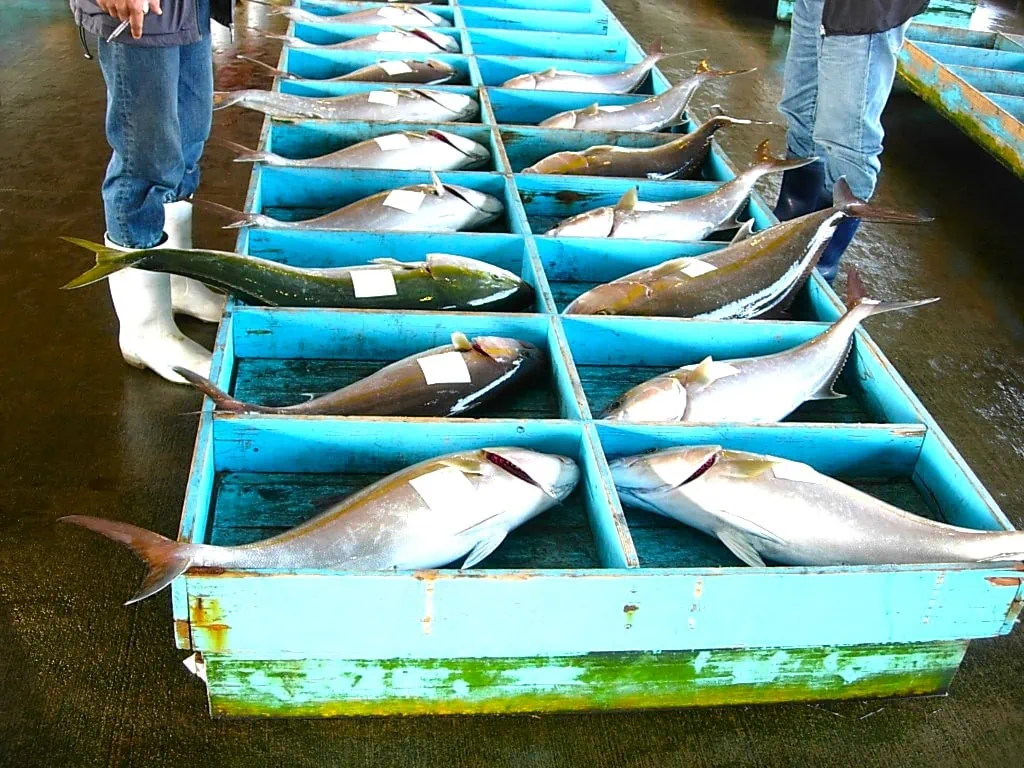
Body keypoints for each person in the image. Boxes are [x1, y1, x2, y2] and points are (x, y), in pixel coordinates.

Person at [70, 0, 235, 383]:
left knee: (188, 145)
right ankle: (145, 330)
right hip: (137, 16)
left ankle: (176, 281)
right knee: (145, 163)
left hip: (187, 9)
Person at [774, 0, 928, 282]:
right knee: (800, 110)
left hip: (862, 9)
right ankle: (786, 227)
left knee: (847, 137)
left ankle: (820, 265)